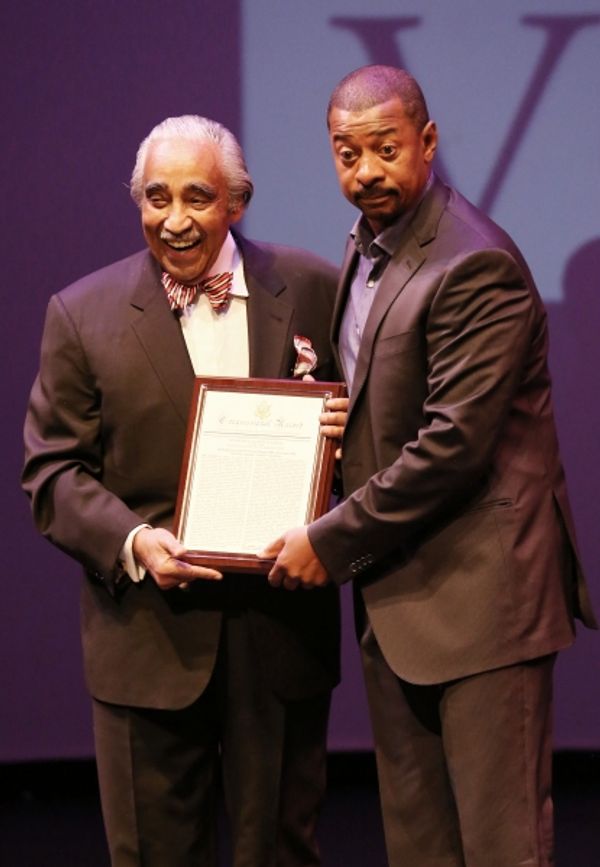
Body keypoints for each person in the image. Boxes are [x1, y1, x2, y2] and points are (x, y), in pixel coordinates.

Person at [261, 65, 597, 866]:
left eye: (385, 149)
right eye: (347, 153)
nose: (365, 171)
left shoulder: (474, 263)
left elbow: (452, 446)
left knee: (501, 845)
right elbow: (383, 400)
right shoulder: (370, 245)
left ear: (429, 142)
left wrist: (330, 539)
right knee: (420, 845)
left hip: (483, 602)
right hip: (403, 596)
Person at [22, 115, 346, 867]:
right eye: (156, 198)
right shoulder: (83, 313)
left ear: (238, 200)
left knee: (281, 852)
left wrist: (336, 465)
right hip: (147, 632)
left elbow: (366, 440)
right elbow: (52, 470)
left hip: (280, 632)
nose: (174, 220)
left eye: (197, 196)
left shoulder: (311, 288)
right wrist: (134, 542)